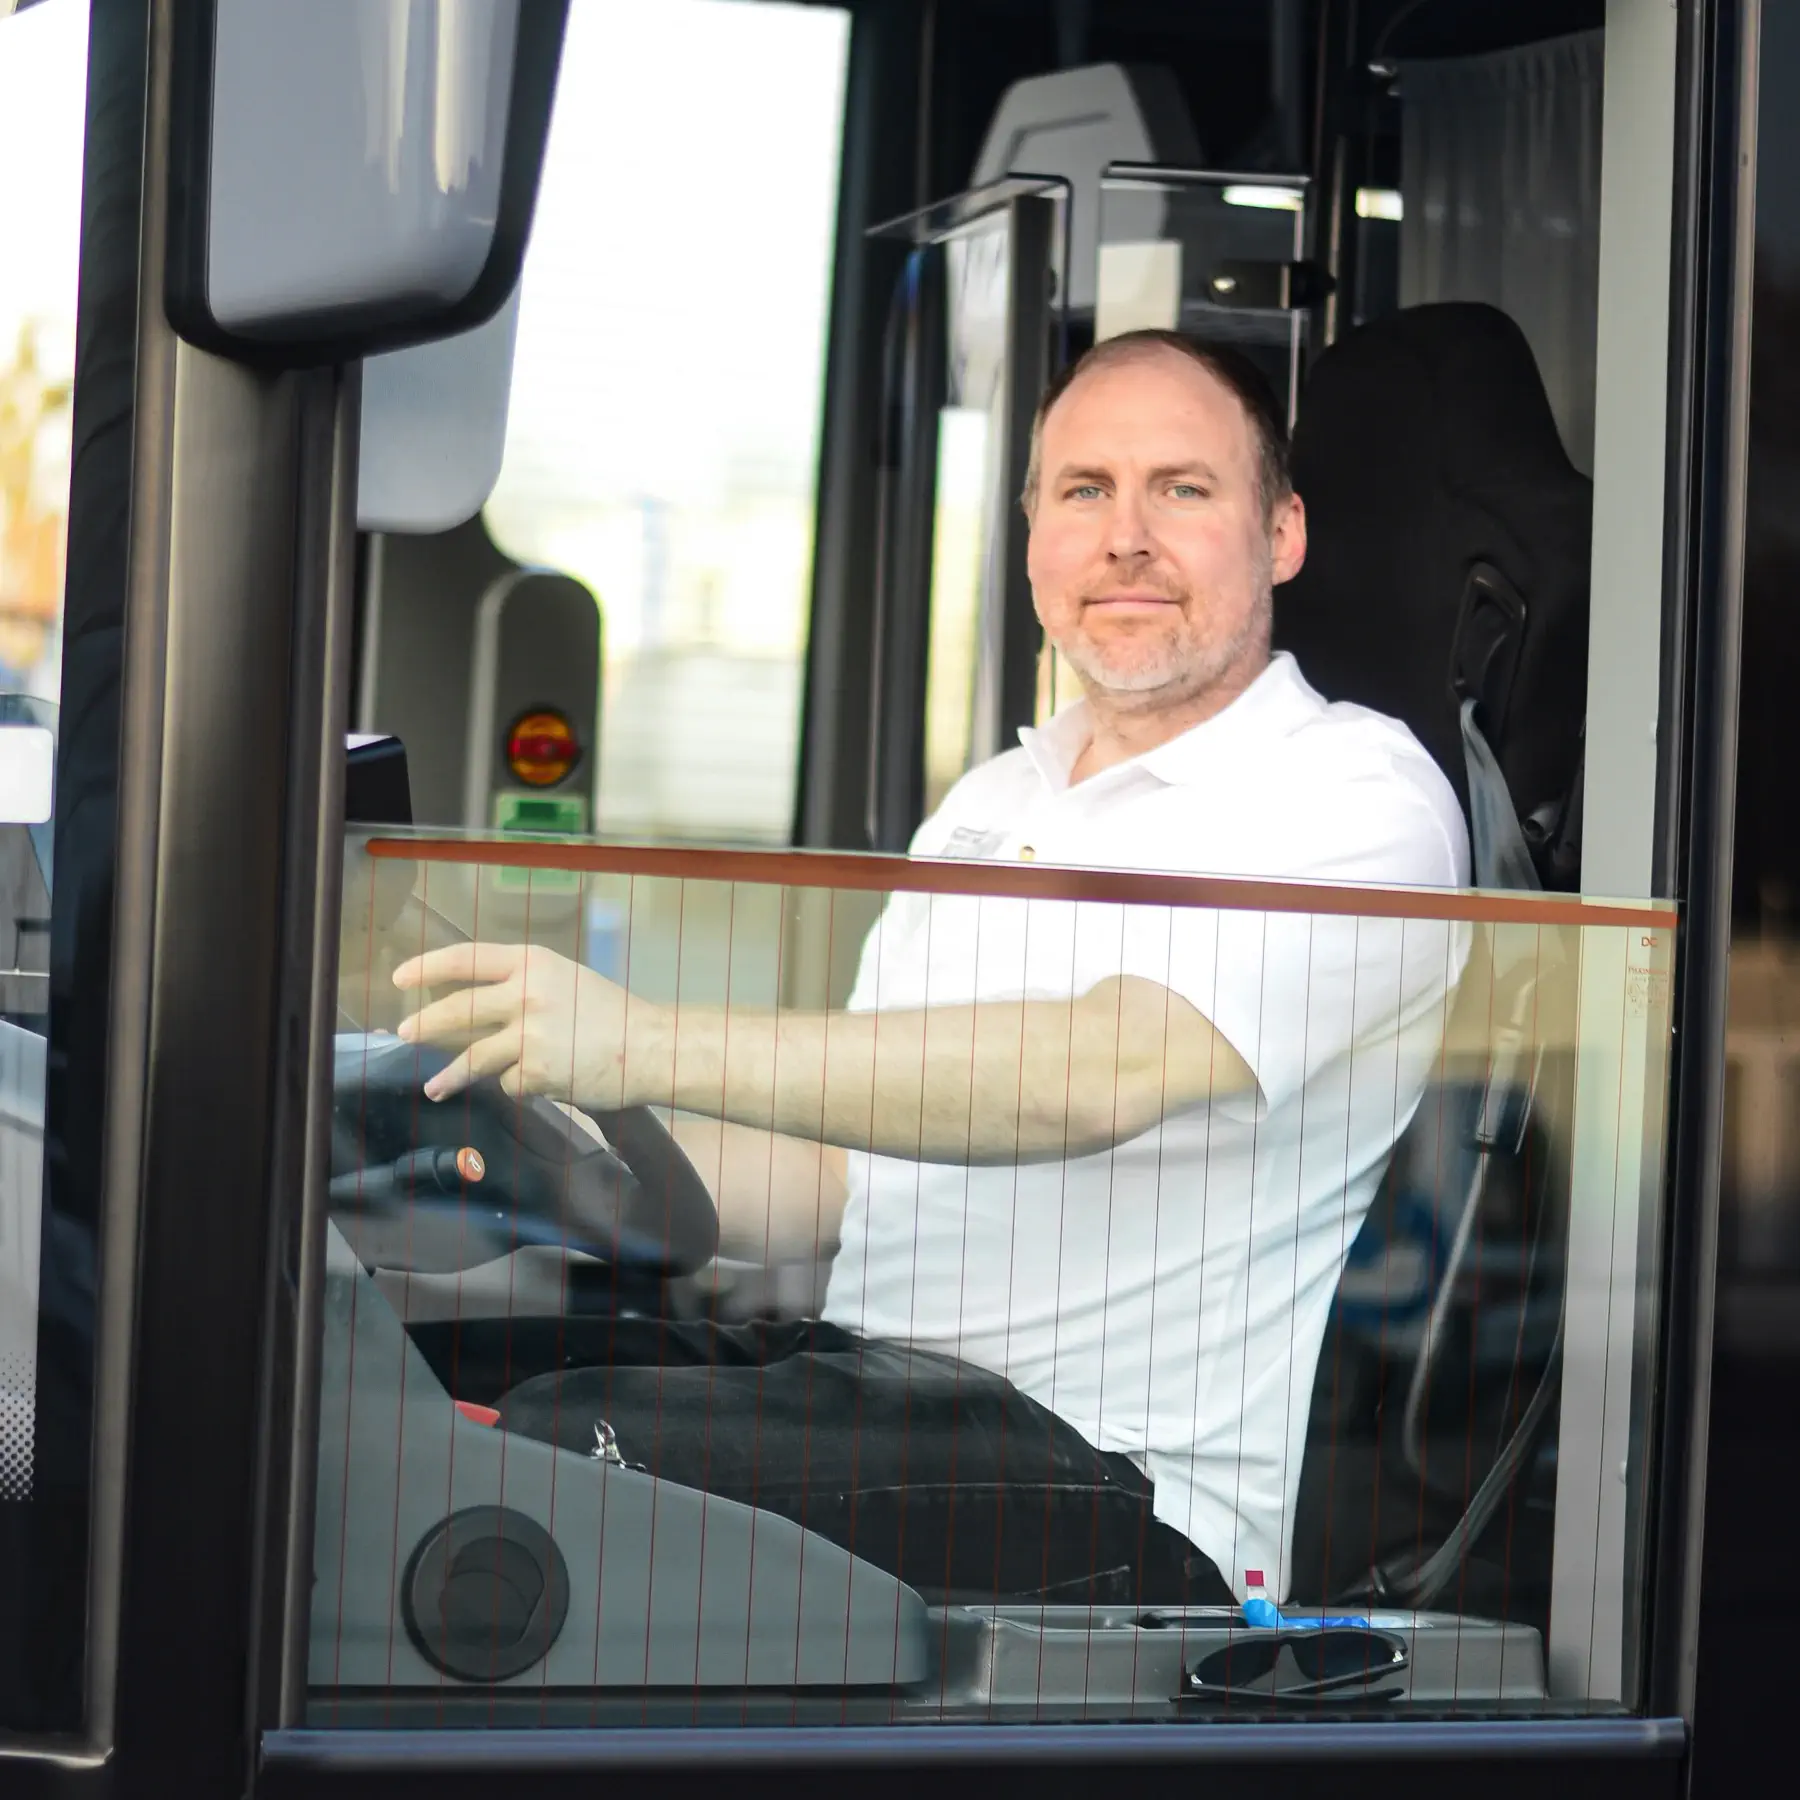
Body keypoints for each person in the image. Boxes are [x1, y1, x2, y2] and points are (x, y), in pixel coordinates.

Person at [393, 330, 1470, 1607]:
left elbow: (1101, 1070)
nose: (1127, 537)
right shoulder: (990, 800)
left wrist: (639, 1041)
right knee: (403, 1365)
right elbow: (833, 1178)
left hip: (1127, 1481)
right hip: (873, 1383)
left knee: (555, 1449)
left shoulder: (1353, 789)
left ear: (1281, 534)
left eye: (1183, 489)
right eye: (1084, 491)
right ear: (1031, 542)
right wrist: (548, 1132)